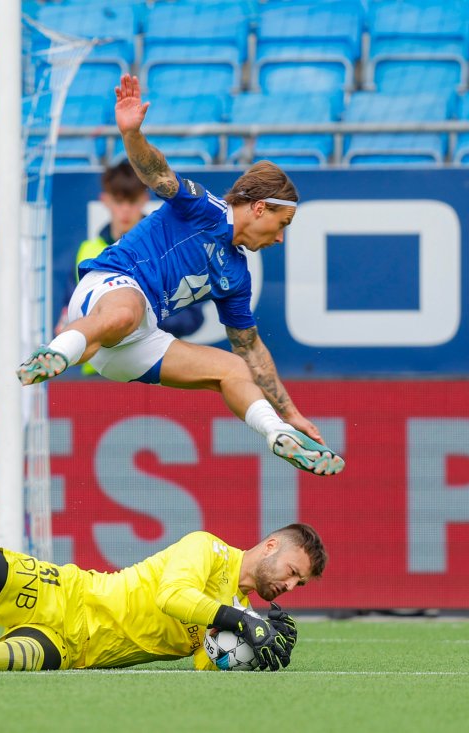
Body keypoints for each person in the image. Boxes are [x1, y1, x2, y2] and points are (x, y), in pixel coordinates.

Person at [19, 74, 344, 477]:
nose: (280, 238)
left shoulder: (237, 275)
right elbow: (158, 174)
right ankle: (54, 353)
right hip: (108, 288)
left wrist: (290, 412)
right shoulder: (204, 208)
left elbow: (251, 349)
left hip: (134, 342)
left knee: (232, 370)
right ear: (260, 208)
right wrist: (132, 136)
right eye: (283, 223)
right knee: (126, 313)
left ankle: (277, 434)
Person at [0, 449, 318, 673]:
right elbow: (171, 598)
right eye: (294, 571)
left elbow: (210, 663)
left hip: (73, 651)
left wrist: (249, 655)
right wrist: (241, 619)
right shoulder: (206, 549)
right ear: (270, 546)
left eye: (300, 585)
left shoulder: (233, 608)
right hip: (62, 594)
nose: (292, 586)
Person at [56, 160, 205, 376]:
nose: (125, 209)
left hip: (156, 369)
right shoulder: (86, 252)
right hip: (100, 375)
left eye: (132, 200)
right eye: (118, 201)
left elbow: (192, 317)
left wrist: (135, 322)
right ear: (105, 200)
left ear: (144, 199)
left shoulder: (167, 249)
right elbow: (68, 315)